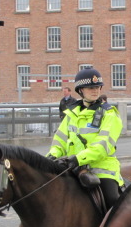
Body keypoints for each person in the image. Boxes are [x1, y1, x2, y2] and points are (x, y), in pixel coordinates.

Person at [47, 67, 124, 211]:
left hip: (102, 171)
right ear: (80, 90)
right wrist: (52, 155)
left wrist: (77, 159)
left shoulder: (110, 115)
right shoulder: (71, 114)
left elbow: (101, 147)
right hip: (73, 168)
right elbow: (60, 140)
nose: (95, 90)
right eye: (90, 88)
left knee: (112, 201)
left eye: (97, 87)